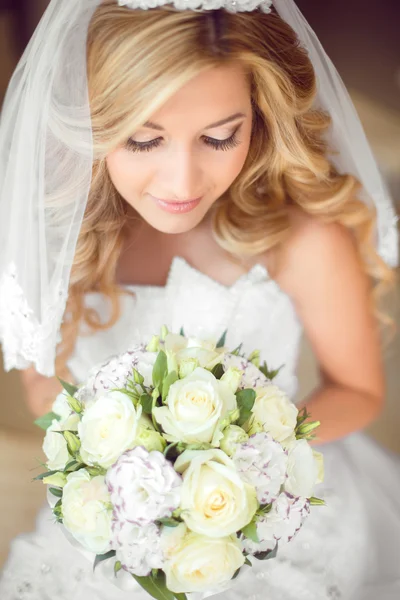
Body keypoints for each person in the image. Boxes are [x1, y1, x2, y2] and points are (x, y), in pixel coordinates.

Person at [0, 1, 399, 599]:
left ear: (259, 118)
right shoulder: (61, 237)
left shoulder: (303, 240)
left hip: (276, 512)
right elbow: (43, 384)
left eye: (219, 137)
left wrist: (249, 455)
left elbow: (360, 391)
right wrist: (113, 466)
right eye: (142, 141)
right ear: (92, 124)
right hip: (114, 524)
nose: (182, 184)